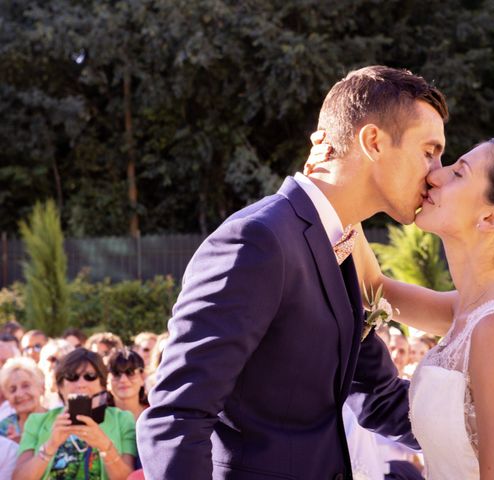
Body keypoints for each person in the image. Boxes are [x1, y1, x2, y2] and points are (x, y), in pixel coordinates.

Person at [137, 65, 449, 479]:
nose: (437, 173)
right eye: (429, 152)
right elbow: (178, 416)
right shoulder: (258, 240)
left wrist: (482, 432)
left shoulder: (345, 247)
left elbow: (377, 396)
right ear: (373, 141)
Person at [308, 133, 494, 478]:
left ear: (491, 217)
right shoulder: (470, 309)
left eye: (459, 173)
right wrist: (340, 181)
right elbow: (374, 286)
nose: (435, 176)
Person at [13, 348, 136, 480]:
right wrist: (51, 445)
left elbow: (128, 478)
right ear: (60, 386)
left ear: (102, 384)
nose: (81, 384)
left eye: (90, 376)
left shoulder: (122, 419)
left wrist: (105, 447)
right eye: (72, 377)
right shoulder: (37, 421)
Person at [0, 357, 46, 444]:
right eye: (12, 390)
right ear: (7, 398)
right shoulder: (3, 429)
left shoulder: (58, 420)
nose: (19, 394)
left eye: (26, 386)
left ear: (41, 388)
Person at [107, 349, 148, 421]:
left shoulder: (156, 413)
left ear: (142, 377)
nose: (123, 380)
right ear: (107, 379)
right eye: (116, 374)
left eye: (130, 372)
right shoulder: (99, 417)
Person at [38, 338, 74, 409]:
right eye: (52, 359)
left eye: (64, 360)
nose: (58, 364)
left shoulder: (77, 397)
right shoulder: (34, 396)